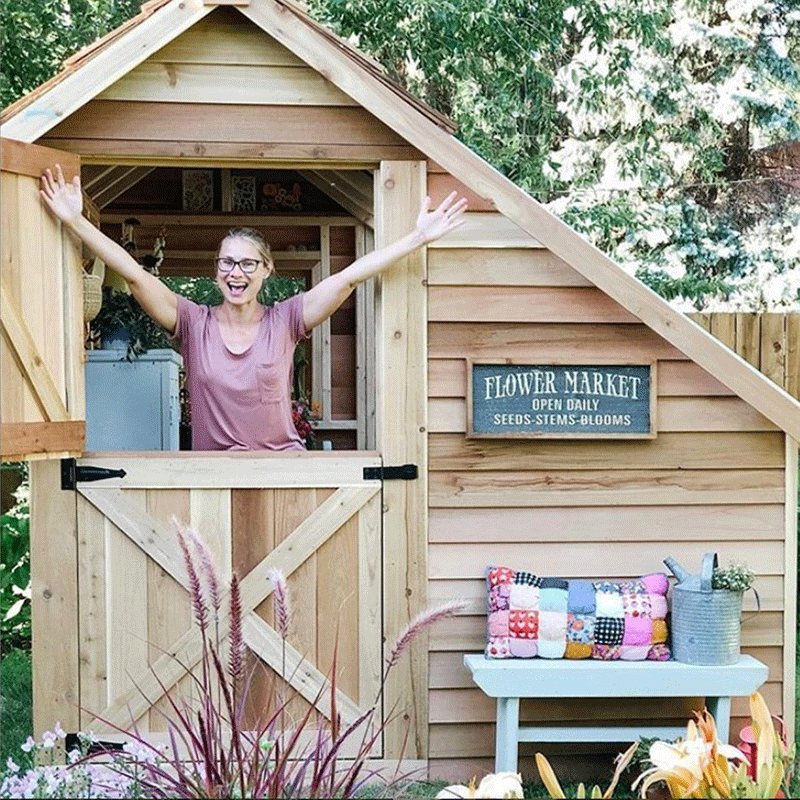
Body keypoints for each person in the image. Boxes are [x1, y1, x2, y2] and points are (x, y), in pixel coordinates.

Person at [40, 164, 467, 451]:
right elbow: (135, 275)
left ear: (266, 270)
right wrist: (75, 221)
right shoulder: (192, 322)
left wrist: (417, 238)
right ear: (216, 270)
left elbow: (349, 277)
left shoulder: (286, 320)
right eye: (227, 262)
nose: (236, 273)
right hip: (213, 480)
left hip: (282, 471)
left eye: (247, 263)